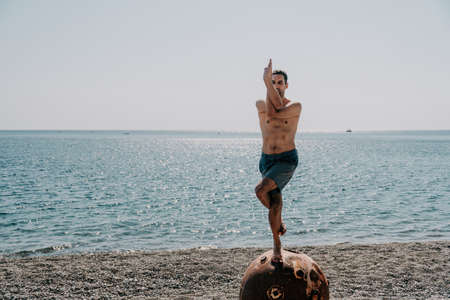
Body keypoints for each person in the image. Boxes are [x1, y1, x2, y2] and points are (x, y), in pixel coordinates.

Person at [254, 59, 302, 263]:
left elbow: (276, 111)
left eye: (279, 82)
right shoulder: (260, 104)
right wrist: (267, 84)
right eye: (273, 82)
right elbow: (270, 106)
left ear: (287, 85)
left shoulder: (295, 106)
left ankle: (277, 238)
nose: (276, 86)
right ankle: (277, 239)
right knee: (275, 202)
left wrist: (266, 81)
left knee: (260, 190)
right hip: (266, 161)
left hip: (285, 160)